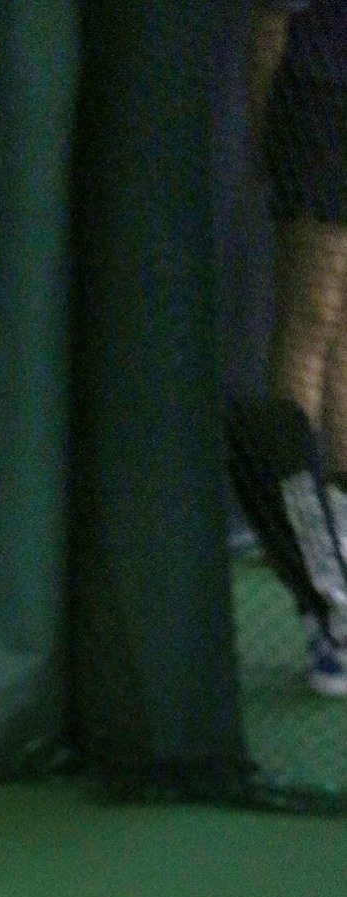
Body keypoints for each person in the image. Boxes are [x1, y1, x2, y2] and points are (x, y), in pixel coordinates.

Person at [249, 0, 347, 694]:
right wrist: (271, 130)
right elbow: (269, 23)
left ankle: (336, 571)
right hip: (318, 104)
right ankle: (327, 598)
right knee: (312, 328)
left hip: (321, 103)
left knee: (335, 334)